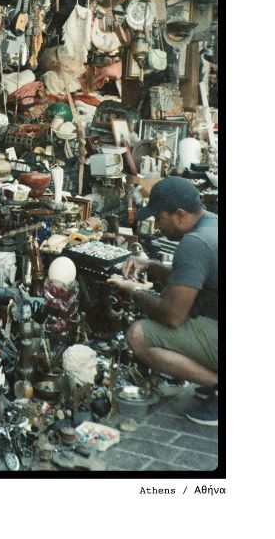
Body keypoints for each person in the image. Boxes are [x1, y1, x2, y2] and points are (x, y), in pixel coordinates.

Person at [107, 176, 218, 426]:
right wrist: (151, 265)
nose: (156, 226)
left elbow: (172, 316)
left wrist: (134, 290)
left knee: (138, 334)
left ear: (180, 215)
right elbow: (190, 277)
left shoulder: (194, 243)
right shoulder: (212, 223)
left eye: (159, 218)